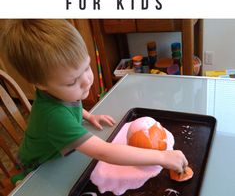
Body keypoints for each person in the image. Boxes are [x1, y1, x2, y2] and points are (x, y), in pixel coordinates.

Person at [0, 19, 188, 183]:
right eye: (72, 81)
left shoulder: (62, 92)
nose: (86, 80)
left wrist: (89, 116)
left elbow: (70, 107)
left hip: (58, 155)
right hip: (37, 169)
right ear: (41, 85)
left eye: (86, 67)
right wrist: (162, 156)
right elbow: (104, 152)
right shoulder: (53, 117)